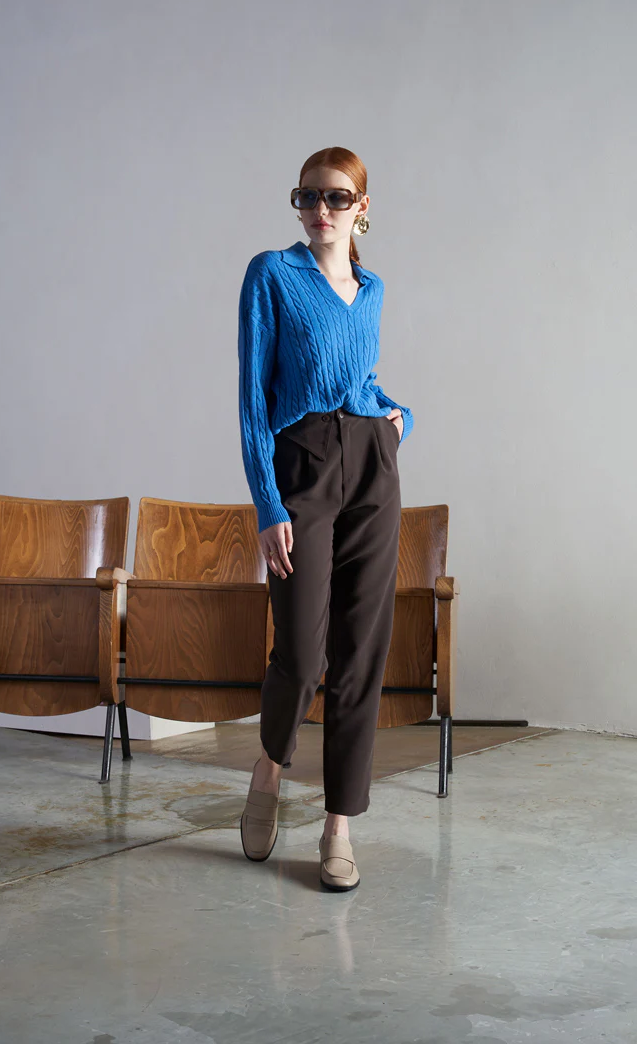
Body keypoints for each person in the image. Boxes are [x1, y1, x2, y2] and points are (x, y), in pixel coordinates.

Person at [237, 146, 413, 891]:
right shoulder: (272, 274)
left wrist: (400, 418)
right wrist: (268, 502)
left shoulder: (372, 289)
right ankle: (269, 768)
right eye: (308, 196)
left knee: (360, 652)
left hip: (371, 466)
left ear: (362, 207)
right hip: (301, 464)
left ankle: (339, 825)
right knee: (303, 656)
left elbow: (361, 382)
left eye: (336, 197)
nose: (320, 210)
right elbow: (253, 399)